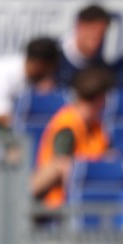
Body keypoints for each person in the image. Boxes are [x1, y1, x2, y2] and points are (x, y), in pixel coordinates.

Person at [31, 66, 114, 209]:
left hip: (92, 196)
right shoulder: (67, 124)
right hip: (57, 203)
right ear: (101, 99)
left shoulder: (97, 127)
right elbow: (61, 164)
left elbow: (106, 156)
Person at [0, 37, 61, 126]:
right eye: (51, 68)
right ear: (40, 64)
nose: (52, 73)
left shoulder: (36, 80)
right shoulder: (0, 72)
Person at [57, 4, 112, 87]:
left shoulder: (101, 69)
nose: (96, 35)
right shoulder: (52, 57)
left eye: (101, 32)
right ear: (79, 25)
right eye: (92, 29)